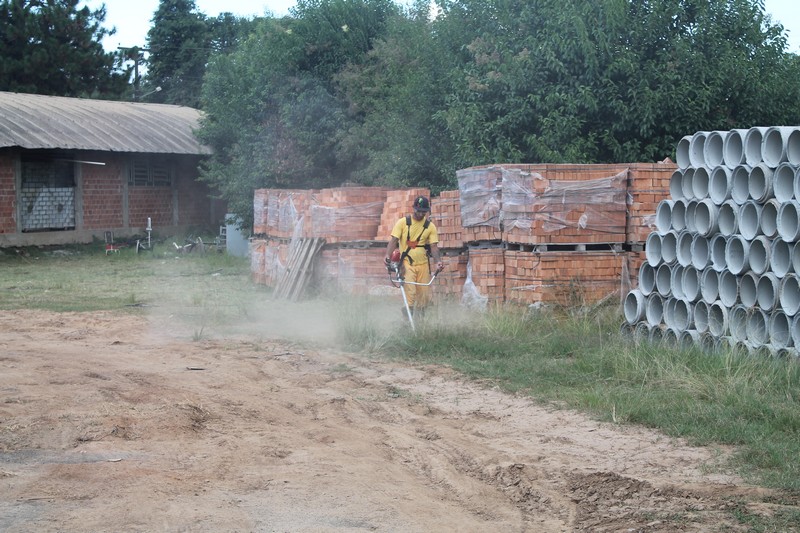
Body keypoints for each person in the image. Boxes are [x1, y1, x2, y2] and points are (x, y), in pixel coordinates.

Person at [384, 196, 444, 317]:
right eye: (419, 211)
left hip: (423, 265)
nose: (421, 214)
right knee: (410, 292)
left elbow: (434, 246)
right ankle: (408, 323)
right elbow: (394, 240)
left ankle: (420, 322)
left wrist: (438, 261)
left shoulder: (430, 226)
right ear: (414, 209)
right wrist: (387, 255)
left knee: (424, 295)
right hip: (406, 264)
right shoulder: (403, 223)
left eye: (424, 212)